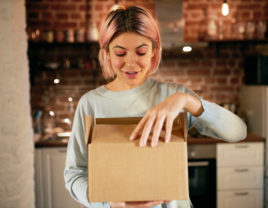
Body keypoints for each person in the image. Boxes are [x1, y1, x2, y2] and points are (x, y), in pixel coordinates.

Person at [64, 5, 247, 208]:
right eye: (120, 53)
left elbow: (238, 132)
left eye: (140, 52)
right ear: (106, 53)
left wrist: (188, 101)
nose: (131, 63)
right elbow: (75, 174)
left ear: (153, 51)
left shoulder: (173, 95)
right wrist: (106, 203)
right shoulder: (91, 103)